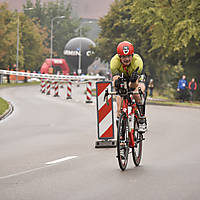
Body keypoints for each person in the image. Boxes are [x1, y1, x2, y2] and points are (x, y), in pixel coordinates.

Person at [110, 41, 147, 133]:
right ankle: (121, 132)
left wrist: (133, 81)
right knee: (120, 98)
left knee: (137, 92)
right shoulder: (114, 62)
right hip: (123, 76)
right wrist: (118, 85)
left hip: (135, 76)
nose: (126, 59)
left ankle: (142, 118)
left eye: (128, 56)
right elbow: (115, 81)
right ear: (119, 57)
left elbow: (133, 85)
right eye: (123, 57)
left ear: (132, 55)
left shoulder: (137, 62)